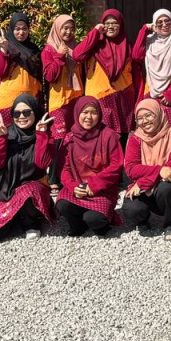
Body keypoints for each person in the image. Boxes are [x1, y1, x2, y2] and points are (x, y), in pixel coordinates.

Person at [0, 94, 56, 240]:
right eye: (17, 113)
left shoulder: (44, 135)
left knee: (29, 192)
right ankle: (16, 217)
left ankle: (31, 222)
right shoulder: (6, 133)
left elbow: (43, 163)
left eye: (27, 112)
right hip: (5, 188)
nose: (21, 117)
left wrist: (41, 135)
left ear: (35, 112)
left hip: (33, 186)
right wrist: (2, 139)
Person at [55, 96, 124, 236]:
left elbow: (116, 165)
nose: (89, 117)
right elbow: (65, 169)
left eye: (93, 112)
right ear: (77, 113)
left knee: (94, 220)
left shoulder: (109, 136)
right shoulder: (70, 138)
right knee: (62, 204)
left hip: (102, 190)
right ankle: (78, 225)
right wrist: (73, 186)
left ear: (99, 115)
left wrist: (94, 184)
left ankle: (99, 221)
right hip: (79, 188)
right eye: (84, 112)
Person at [122, 99, 171, 241]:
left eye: (148, 115)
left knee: (166, 188)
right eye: (140, 118)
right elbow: (131, 169)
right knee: (132, 210)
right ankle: (143, 221)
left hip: (166, 187)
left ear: (158, 114)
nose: (145, 121)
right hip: (144, 189)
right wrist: (160, 170)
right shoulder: (135, 138)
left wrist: (142, 182)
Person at [72, 9, 136, 136]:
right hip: (99, 98)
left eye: (115, 23)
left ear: (121, 25)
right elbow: (77, 55)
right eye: (107, 23)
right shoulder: (95, 45)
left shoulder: (127, 46)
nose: (111, 26)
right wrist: (95, 32)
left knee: (122, 137)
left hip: (123, 96)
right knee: (100, 134)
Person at [131, 9, 171, 132]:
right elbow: (136, 56)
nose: (164, 24)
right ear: (154, 24)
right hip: (153, 94)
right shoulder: (149, 40)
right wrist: (144, 29)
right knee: (156, 134)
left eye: (167, 21)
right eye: (159, 22)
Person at [0, 12, 43, 126]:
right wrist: (3, 49)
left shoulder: (34, 49)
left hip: (29, 102)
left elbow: (39, 78)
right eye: (17, 29)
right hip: (8, 102)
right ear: (11, 29)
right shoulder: (6, 46)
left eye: (24, 29)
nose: (21, 32)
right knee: (7, 135)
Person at [42, 14, 85, 139]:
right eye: (65, 28)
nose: (69, 32)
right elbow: (50, 76)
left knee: (75, 137)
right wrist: (59, 55)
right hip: (59, 102)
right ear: (57, 28)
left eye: (72, 29)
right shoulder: (49, 50)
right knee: (59, 138)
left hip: (76, 99)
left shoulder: (76, 48)